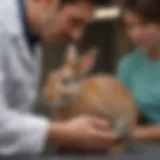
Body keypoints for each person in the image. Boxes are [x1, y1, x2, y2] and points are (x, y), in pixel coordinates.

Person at [0, 0, 117, 157]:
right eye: (74, 21)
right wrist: (62, 132)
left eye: (84, 25)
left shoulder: (33, 38)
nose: (77, 35)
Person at [118, 0, 160, 141]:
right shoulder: (128, 65)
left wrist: (131, 134)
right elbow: (122, 114)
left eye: (143, 24)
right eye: (130, 26)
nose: (135, 34)